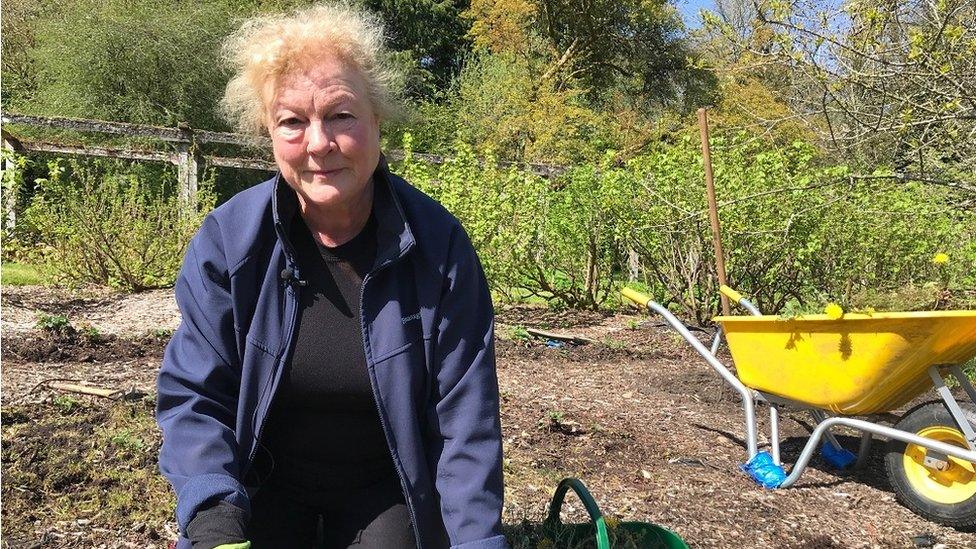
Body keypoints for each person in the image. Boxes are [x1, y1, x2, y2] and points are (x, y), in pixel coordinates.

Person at [155, 4, 507, 548]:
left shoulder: (439, 246)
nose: (318, 142)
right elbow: (196, 392)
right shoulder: (229, 241)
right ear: (267, 133)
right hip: (262, 482)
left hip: (385, 486)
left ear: (378, 119)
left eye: (341, 115)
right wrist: (211, 511)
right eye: (292, 121)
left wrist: (477, 541)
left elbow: (466, 417)